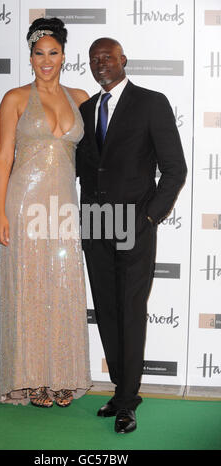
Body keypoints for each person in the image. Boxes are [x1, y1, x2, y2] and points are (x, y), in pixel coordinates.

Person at [76, 38, 187, 433]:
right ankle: (122, 389)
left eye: (107, 57)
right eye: (93, 59)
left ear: (124, 60)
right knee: (107, 310)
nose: (100, 63)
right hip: (95, 225)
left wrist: (150, 218)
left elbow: (175, 168)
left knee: (130, 311)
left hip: (134, 225)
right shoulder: (86, 109)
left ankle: (127, 400)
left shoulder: (151, 102)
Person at [0, 17, 92, 408]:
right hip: (24, 204)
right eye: (39, 53)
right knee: (29, 290)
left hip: (64, 206)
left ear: (64, 56)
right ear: (30, 56)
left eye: (53, 53)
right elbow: (3, 158)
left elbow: (103, 153)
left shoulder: (81, 97)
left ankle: (63, 376)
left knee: (62, 288)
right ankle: (31, 378)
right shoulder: (15, 98)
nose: (46, 60)